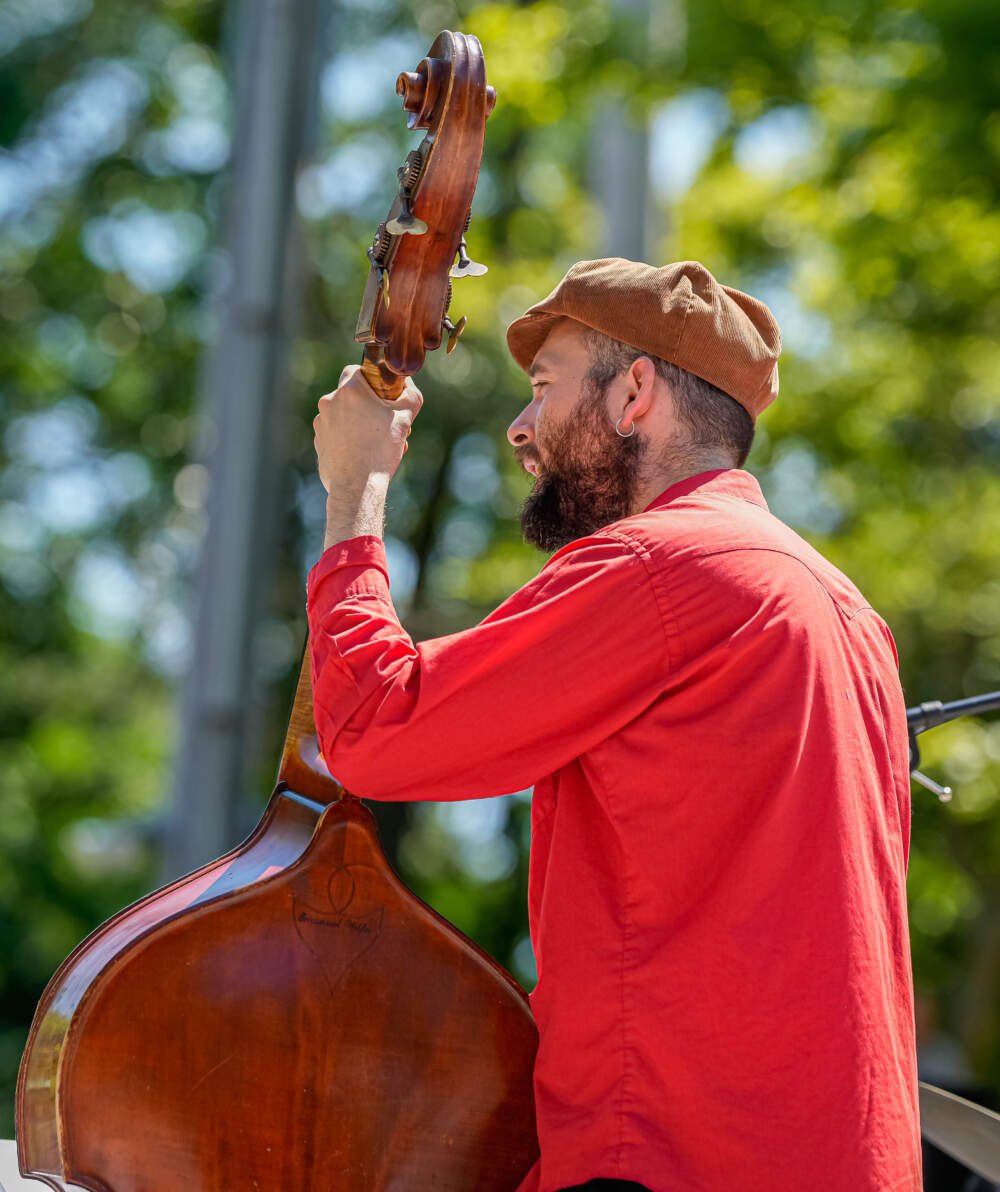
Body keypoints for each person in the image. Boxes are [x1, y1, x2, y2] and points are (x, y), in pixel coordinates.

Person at [309, 259, 922, 1192]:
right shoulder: (849, 612)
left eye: (545, 388)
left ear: (636, 392)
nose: (520, 428)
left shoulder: (661, 565)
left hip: (673, 1162)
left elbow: (372, 729)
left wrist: (354, 494)